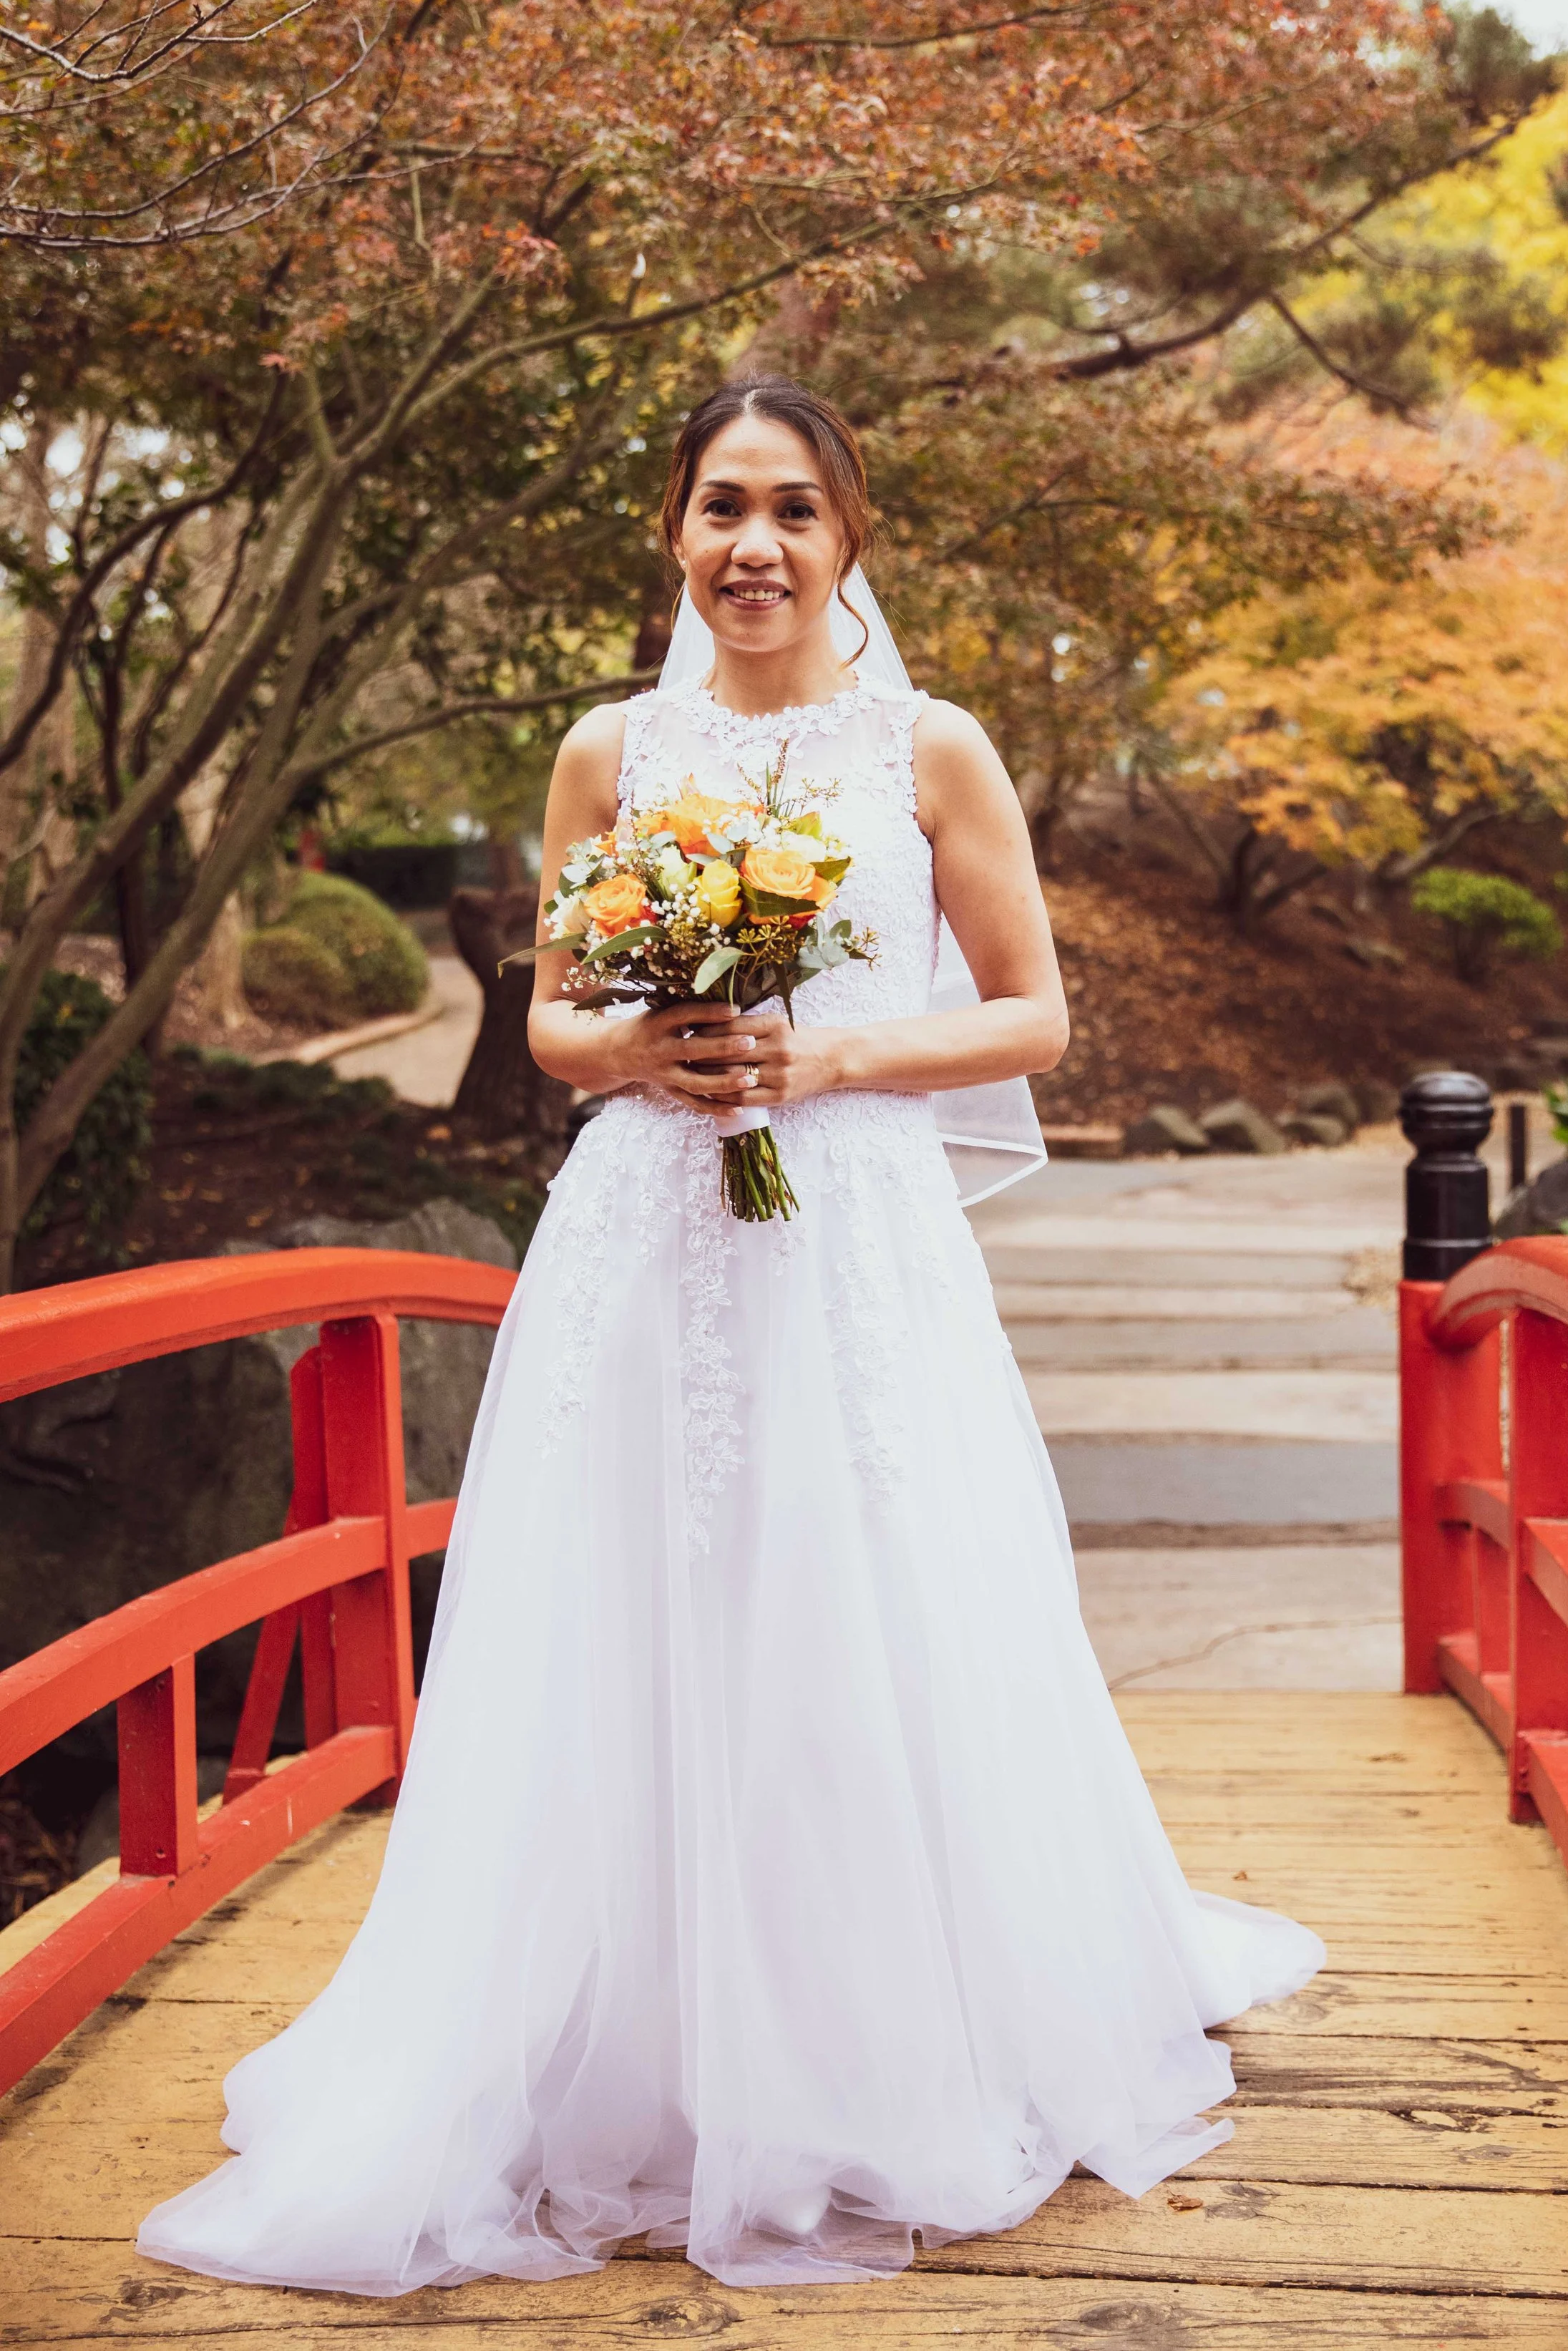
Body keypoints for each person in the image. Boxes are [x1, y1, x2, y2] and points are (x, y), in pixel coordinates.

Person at [137, 374, 1322, 2297]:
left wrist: (825, 1050)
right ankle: (617, 2038)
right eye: (717, 507)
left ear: (848, 532)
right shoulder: (609, 748)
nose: (751, 542)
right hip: (641, 1230)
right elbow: (547, 1023)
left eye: (789, 506)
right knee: (630, 1602)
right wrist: (642, 1044)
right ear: (673, 535)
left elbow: (1029, 1018)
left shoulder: (928, 748)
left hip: (846, 1230)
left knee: (856, 1591)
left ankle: (872, 2039)